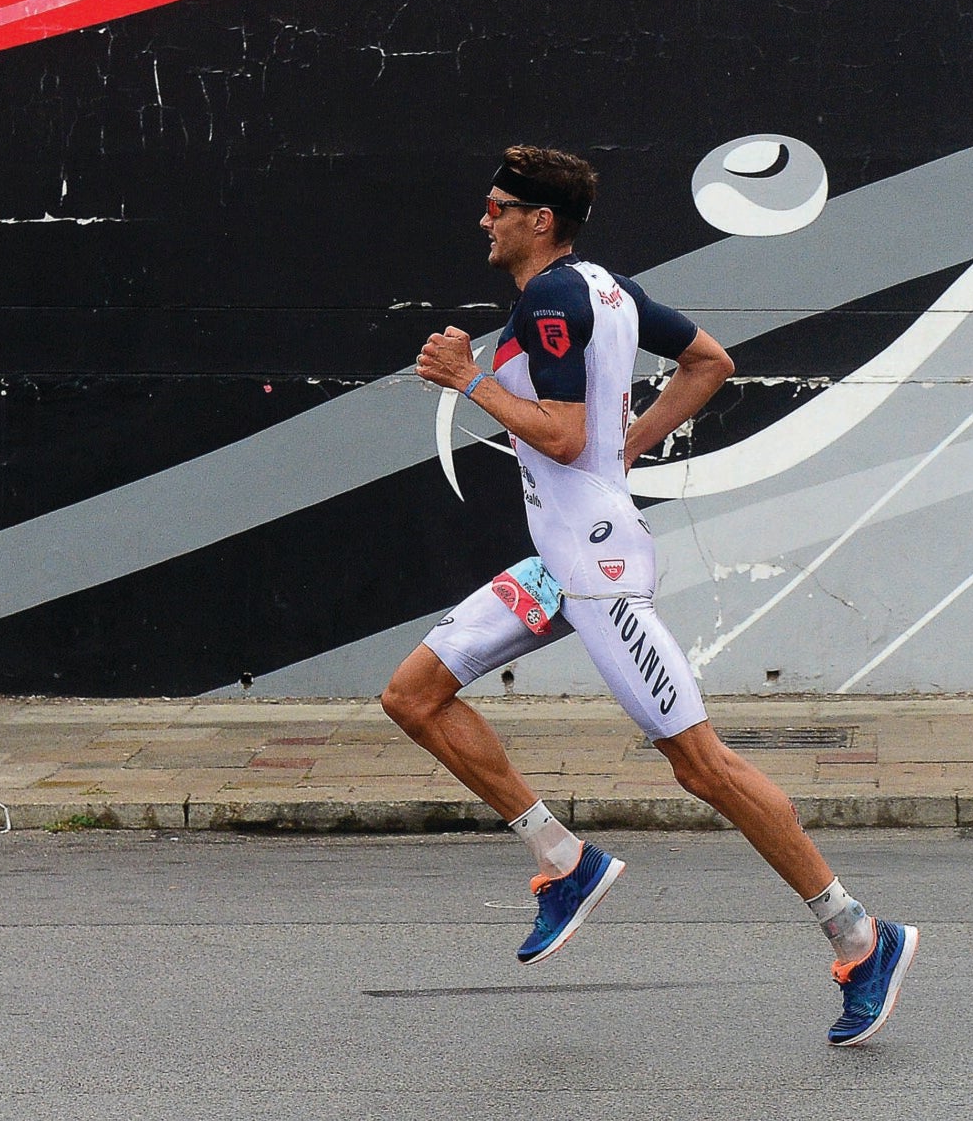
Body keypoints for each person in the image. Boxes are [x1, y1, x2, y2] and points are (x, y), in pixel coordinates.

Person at [382, 144, 917, 1046]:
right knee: (413, 694)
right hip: (564, 560)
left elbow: (561, 433)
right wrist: (625, 450)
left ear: (538, 220)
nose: (484, 217)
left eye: (496, 205)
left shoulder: (553, 298)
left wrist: (470, 381)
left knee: (702, 765)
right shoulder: (610, 288)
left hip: (596, 575)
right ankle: (563, 861)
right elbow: (712, 363)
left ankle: (862, 938)